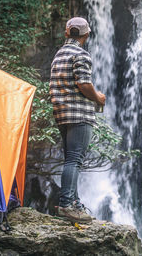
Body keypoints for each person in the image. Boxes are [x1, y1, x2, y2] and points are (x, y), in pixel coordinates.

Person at [49, 17, 106, 223]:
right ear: (87, 34)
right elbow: (83, 84)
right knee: (75, 160)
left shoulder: (59, 55)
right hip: (79, 115)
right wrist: (98, 97)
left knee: (70, 159)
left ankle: (74, 201)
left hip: (62, 115)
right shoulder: (81, 55)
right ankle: (66, 205)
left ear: (67, 33)